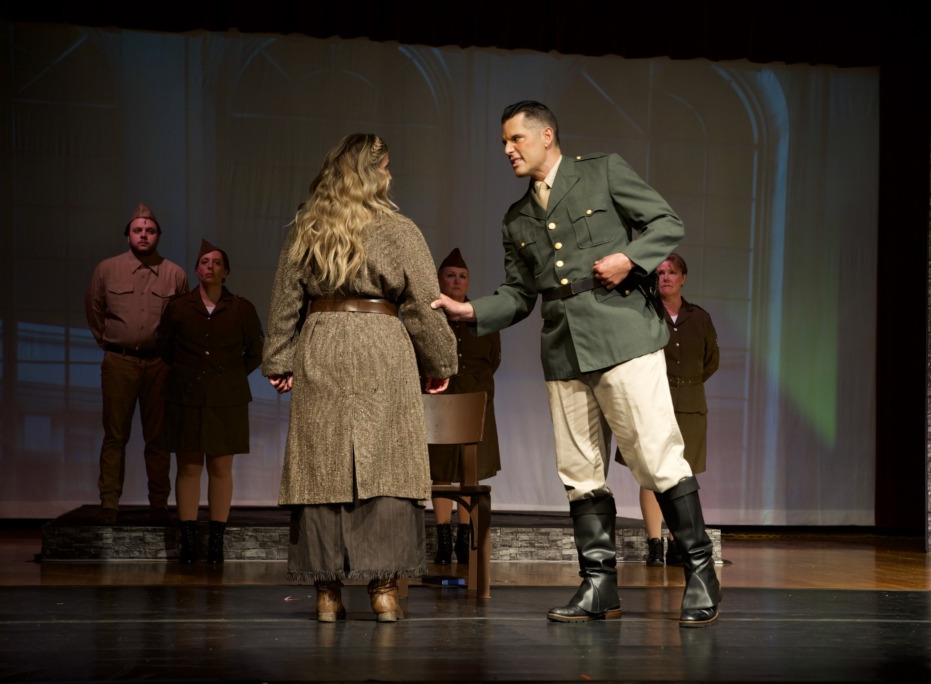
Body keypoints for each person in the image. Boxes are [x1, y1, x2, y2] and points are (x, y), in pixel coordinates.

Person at [432, 101, 721, 626]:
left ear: (546, 134)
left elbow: (666, 222)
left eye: (516, 139)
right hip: (564, 349)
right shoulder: (516, 218)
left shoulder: (602, 171)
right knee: (580, 472)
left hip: (623, 336)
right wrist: (472, 309)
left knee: (657, 457)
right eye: (503, 142)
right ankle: (598, 585)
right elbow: (519, 295)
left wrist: (631, 258)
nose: (507, 150)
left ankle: (701, 572)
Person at [263, 133, 457, 623]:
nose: (390, 175)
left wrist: (280, 359)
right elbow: (424, 304)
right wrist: (440, 361)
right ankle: (384, 592)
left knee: (321, 464)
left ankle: (327, 594)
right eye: (386, 166)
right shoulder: (399, 229)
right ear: (373, 172)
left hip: (323, 342)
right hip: (381, 346)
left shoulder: (307, 227)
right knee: (386, 462)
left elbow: (286, 300)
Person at [157, 239, 265, 564]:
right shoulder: (178, 307)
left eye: (216, 262)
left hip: (226, 398)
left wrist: (228, 377)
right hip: (185, 396)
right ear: (196, 270)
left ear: (226, 271)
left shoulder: (242, 308)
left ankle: (216, 541)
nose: (209, 267)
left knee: (221, 467)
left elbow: (255, 353)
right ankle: (188, 540)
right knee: (188, 466)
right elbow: (165, 348)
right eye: (204, 262)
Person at [85, 202, 188, 525]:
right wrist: (112, 342)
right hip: (120, 362)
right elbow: (94, 309)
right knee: (115, 435)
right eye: (138, 230)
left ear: (158, 235)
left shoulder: (175, 274)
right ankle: (109, 505)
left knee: (158, 439)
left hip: (159, 365)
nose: (144, 235)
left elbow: (180, 320)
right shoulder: (107, 269)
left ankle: (159, 505)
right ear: (128, 235)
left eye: (150, 231)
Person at [639, 253, 719, 567]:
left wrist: (687, 385)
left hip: (690, 404)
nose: (665, 278)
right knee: (650, 475)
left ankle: (677, 544)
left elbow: (711, 360)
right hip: (653, 402)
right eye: (659, 273)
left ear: (683, 277)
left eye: (671, 272)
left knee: (682, 475)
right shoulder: (645, 314)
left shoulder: (699, 317)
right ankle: (654, 543)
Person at [428, 248, 502, 566]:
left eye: (462, 276)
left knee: (470, 474)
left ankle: (463, 536)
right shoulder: (428, 316)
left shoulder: (481, 317)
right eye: (450, 275)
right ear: (440, 280)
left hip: (475, 402)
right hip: (438, 404)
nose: (456, 281)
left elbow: (493, 360)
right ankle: (443, 536)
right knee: (442, 473)